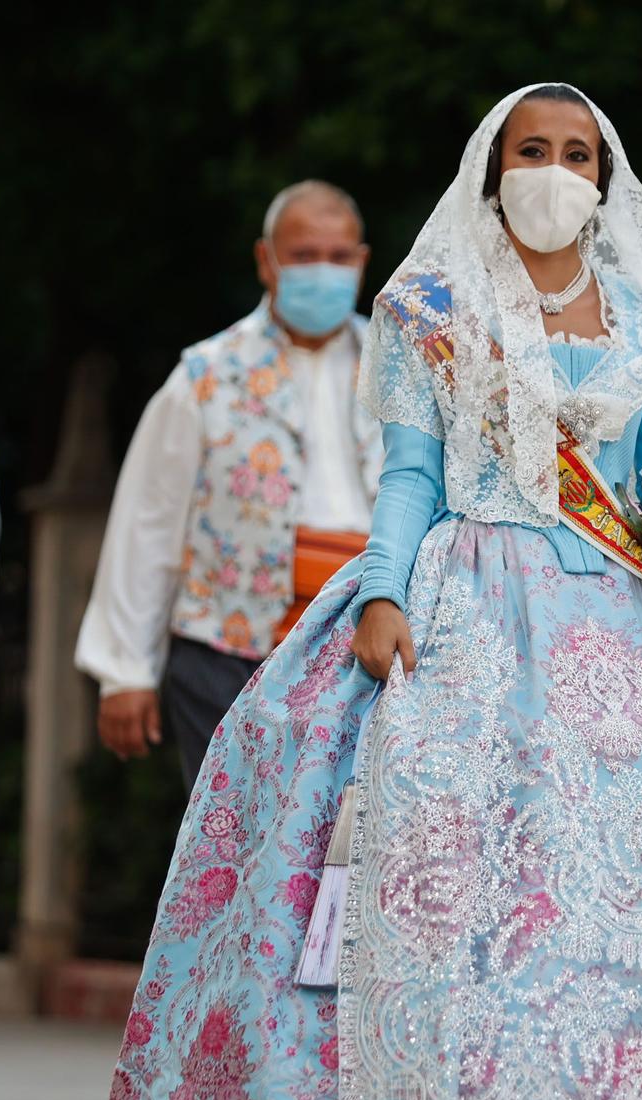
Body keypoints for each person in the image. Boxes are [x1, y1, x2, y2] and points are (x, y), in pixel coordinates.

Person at [100, 85, 642, 1100]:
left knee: (624, 890)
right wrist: (381, 590)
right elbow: (408, 473)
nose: (554, 171)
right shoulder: (431, 304)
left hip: (610, 621)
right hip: (462, 600)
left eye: (575, 154)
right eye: (531, 151)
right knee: (471, 893)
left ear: (604, 178)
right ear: (491, 165)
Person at [75, 181, 382, 789]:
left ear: (363, 262)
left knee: (351, 856)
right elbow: (150, 520)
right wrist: (124, 670)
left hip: (368, 654)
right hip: (229, 656)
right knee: (234, 849)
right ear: (266, 261)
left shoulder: (400, 368)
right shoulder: (206, 375)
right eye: (303, 256)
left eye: (339, 256)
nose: (323, 270)